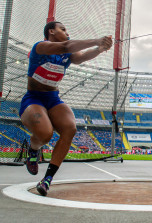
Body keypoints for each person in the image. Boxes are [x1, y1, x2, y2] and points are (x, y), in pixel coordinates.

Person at [19, 21, 113, 196]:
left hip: (53, 99)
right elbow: (66, 46)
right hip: (34, 98)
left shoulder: (68, 53)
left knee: (71, 128)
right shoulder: (40, 47)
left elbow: (79, 57)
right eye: (63, 29)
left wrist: (100, 48)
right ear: (51, 31)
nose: (66, 32)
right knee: (45, 135)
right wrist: (96, 40)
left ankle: (47, 179)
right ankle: (33, 148)